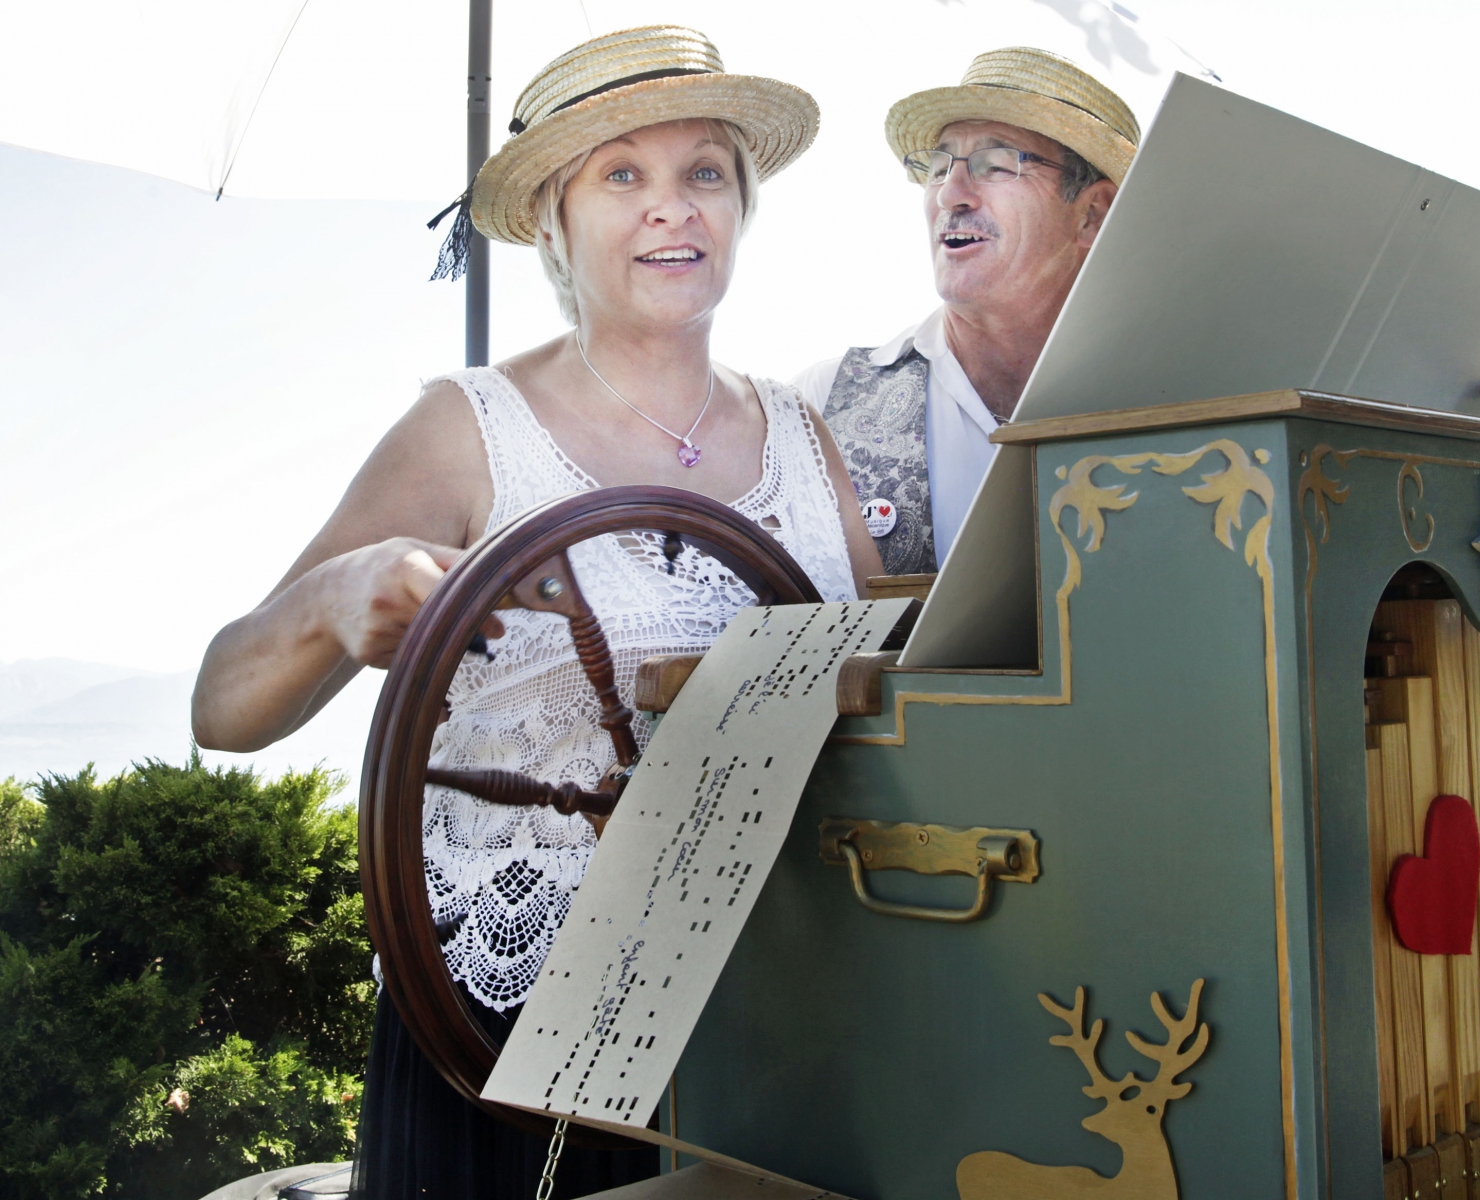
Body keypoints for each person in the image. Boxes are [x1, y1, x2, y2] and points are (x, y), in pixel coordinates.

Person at [191, 25, 882, 1198]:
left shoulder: (804, 438)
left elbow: (884, 702)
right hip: (515, 1042)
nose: (673, 209)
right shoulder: (467, 430)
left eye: (703, 173)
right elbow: (224, 707)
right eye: (623, 176)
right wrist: (331, 601)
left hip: (770, 1013)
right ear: (555, 221)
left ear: (741, 207)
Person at [795, 48, 1137, 575]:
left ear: (1092, 215)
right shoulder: (818, 404)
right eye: (937, 167)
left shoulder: (1172, 396)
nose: (949, 194)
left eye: (996, 165)